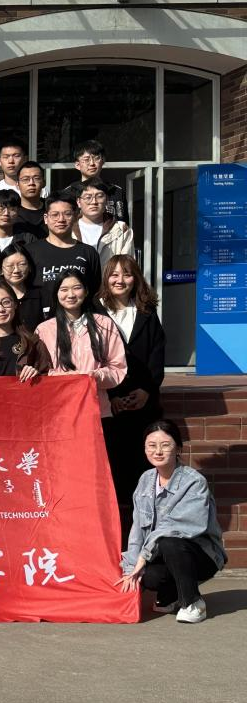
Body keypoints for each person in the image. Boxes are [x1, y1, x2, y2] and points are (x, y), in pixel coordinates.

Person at [118, 420, 227, 624]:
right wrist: (131, 568)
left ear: (178, 449)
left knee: (170, 542)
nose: (158, 451)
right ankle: (172, 594)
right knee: (149, 577)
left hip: (201, 554)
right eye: (151, 445)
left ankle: (193, 602)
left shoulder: (194, 482)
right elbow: (137, 529)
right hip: (162, 553)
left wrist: (143, 556)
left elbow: (177, 528)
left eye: (165, 445)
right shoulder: (145, 480)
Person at [98, 254, 167, 511]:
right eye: (114, 275)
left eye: (126, 274)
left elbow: (157, 354)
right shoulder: (95, 312)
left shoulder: (146, 312)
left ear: (135, 279)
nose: (120, 280)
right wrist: (112, 396)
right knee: (114, 464)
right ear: (106, 279)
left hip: (143, 400)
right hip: (110, 402)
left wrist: (147, 390)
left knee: (142, 463)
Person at [34, 272, 127, 418]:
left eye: (77, 288)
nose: (71, 295)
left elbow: (118, 368)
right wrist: (66, 378)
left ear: (86, 291)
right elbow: (40, 372)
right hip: (58, 411)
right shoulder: (44, 330)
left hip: (96, 410)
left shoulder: (104, 324)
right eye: (64, 289)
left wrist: (94, 376)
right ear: (56, 294)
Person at [27, 194, 103, 300]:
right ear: (46, 218)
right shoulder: (30, 251)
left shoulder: (88, 252)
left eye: (67, 214)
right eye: (55, 215)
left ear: (75, 217)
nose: (61, 219)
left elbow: (95, 292)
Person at [61, 140, 128, 223]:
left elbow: (124, 223)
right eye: (86, 160)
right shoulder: (67, 193)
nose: (92, 163)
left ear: (103, 161)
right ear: (77, 165)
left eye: (96, 158)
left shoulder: (116, 191)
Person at [74, 179, 134, 265]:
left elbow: (127, 267)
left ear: (107, 200)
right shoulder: (67, 230)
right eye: (88, 197)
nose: (94, 202)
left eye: (99, 196)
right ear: (78, 202)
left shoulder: (122, 230)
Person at [0, 243, 47, 329]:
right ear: (1, 270)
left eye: (22, 264)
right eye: (10, 266)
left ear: (29, 267)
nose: (16, 270)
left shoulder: (42, 295)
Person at [16, 161, 47, 231]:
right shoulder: (11, 211)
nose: (31, 183)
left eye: (36, 178)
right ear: (17, 185)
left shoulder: (52, 209)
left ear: (44, 183)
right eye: (25, 179)